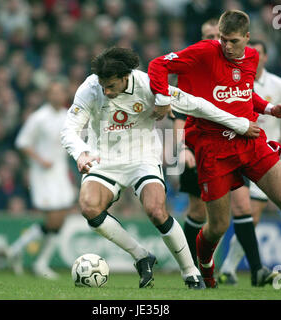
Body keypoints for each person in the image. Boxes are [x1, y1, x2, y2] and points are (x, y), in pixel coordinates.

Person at [148, 10, 281, 291]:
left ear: (247, 38)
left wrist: (270, 108)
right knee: (218, 226)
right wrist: (162, 98)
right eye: (222, 39)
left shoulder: (251, 58)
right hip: (212, 148)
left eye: (232, 41)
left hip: (249, 141)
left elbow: (243, 93)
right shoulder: (205, 51)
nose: (225, 45)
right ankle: (206, 268)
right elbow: (157, 65)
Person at [60, 46, 260, 289]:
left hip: (142, 157)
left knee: (156, 210)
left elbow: (197, 105)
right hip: (104, 159)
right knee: (89, 207)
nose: (106, 91)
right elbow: (69, 128)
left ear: (126, 77)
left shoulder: (148, 85)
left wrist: (238, 123)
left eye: (111, 85)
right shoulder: (91, 88)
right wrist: (80, 152)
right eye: (103, 85)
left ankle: (190, 272)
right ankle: (142, 256)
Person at [175, 18, 276, 287]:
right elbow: (178, 114)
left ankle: (256, 269)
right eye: (211, 37)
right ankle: (190, 269)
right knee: (198, 212)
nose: (216, 43)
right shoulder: (194, 66)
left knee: (243, 205)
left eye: (218, 38)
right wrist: (184, 149)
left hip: (231, 150)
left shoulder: (230, 64)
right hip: (199, 149)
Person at [218, 39, 281, 285]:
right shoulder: (236, 80)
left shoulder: (278, 85)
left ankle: (229, 268)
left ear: (265, 57)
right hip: (238, 153)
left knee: (252, 214)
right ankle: (232, 268)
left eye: (258, 53)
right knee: (245, 213)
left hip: (264, 156)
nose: (253, 56)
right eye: (250, 52)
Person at [6, 81, 77, 279]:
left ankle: (30, 257)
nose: (56, 96)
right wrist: (40, 160)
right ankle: (28, 256)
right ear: (48, 95)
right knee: (53, 219)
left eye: (60, 92)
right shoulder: (39, 118)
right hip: (43, 174)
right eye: (53, 92)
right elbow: (22, 142)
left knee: (60, 219)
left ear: (64, 95)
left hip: (61, 173)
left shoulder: (68, 116)